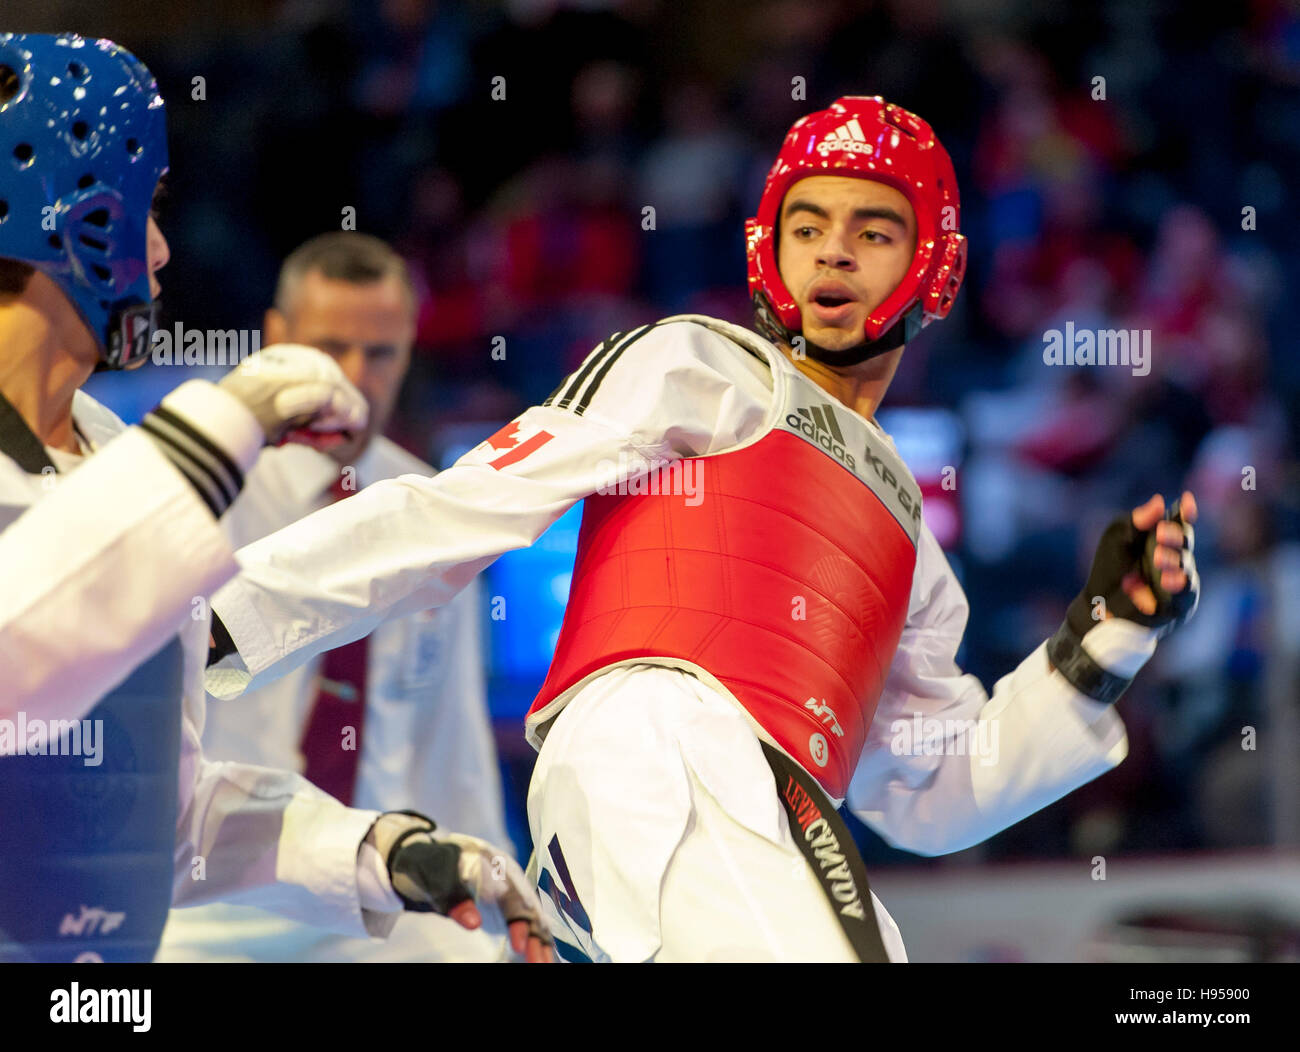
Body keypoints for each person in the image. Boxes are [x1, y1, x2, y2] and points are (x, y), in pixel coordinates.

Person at [204, 96, 1201, 962]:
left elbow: (933, 789)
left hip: (769, 806)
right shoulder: (702, 361)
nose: (833, 252)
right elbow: (469, 504)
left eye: (871, 228)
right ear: (767, 247)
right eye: (806, 225)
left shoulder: (908, 526)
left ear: (934, 263)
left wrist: (1103, 637)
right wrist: (222, 615)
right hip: (661, 744)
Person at [0, 32, 550, 964]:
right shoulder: (177, 472)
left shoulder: (117, 461)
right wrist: (227, 422)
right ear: (72, 219)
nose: (166, 250)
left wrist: (379, 851)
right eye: (150, 209)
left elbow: (163, 820)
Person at [158, 232, 510, 962]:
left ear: (410, 349)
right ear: (275, 340)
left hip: (370, 892)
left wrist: (495, 904)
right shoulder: (194, 498)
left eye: (380, 353)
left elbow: (452, 742)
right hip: (209, 896)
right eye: (330, 349)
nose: (354, 378)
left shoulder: (438, 512)